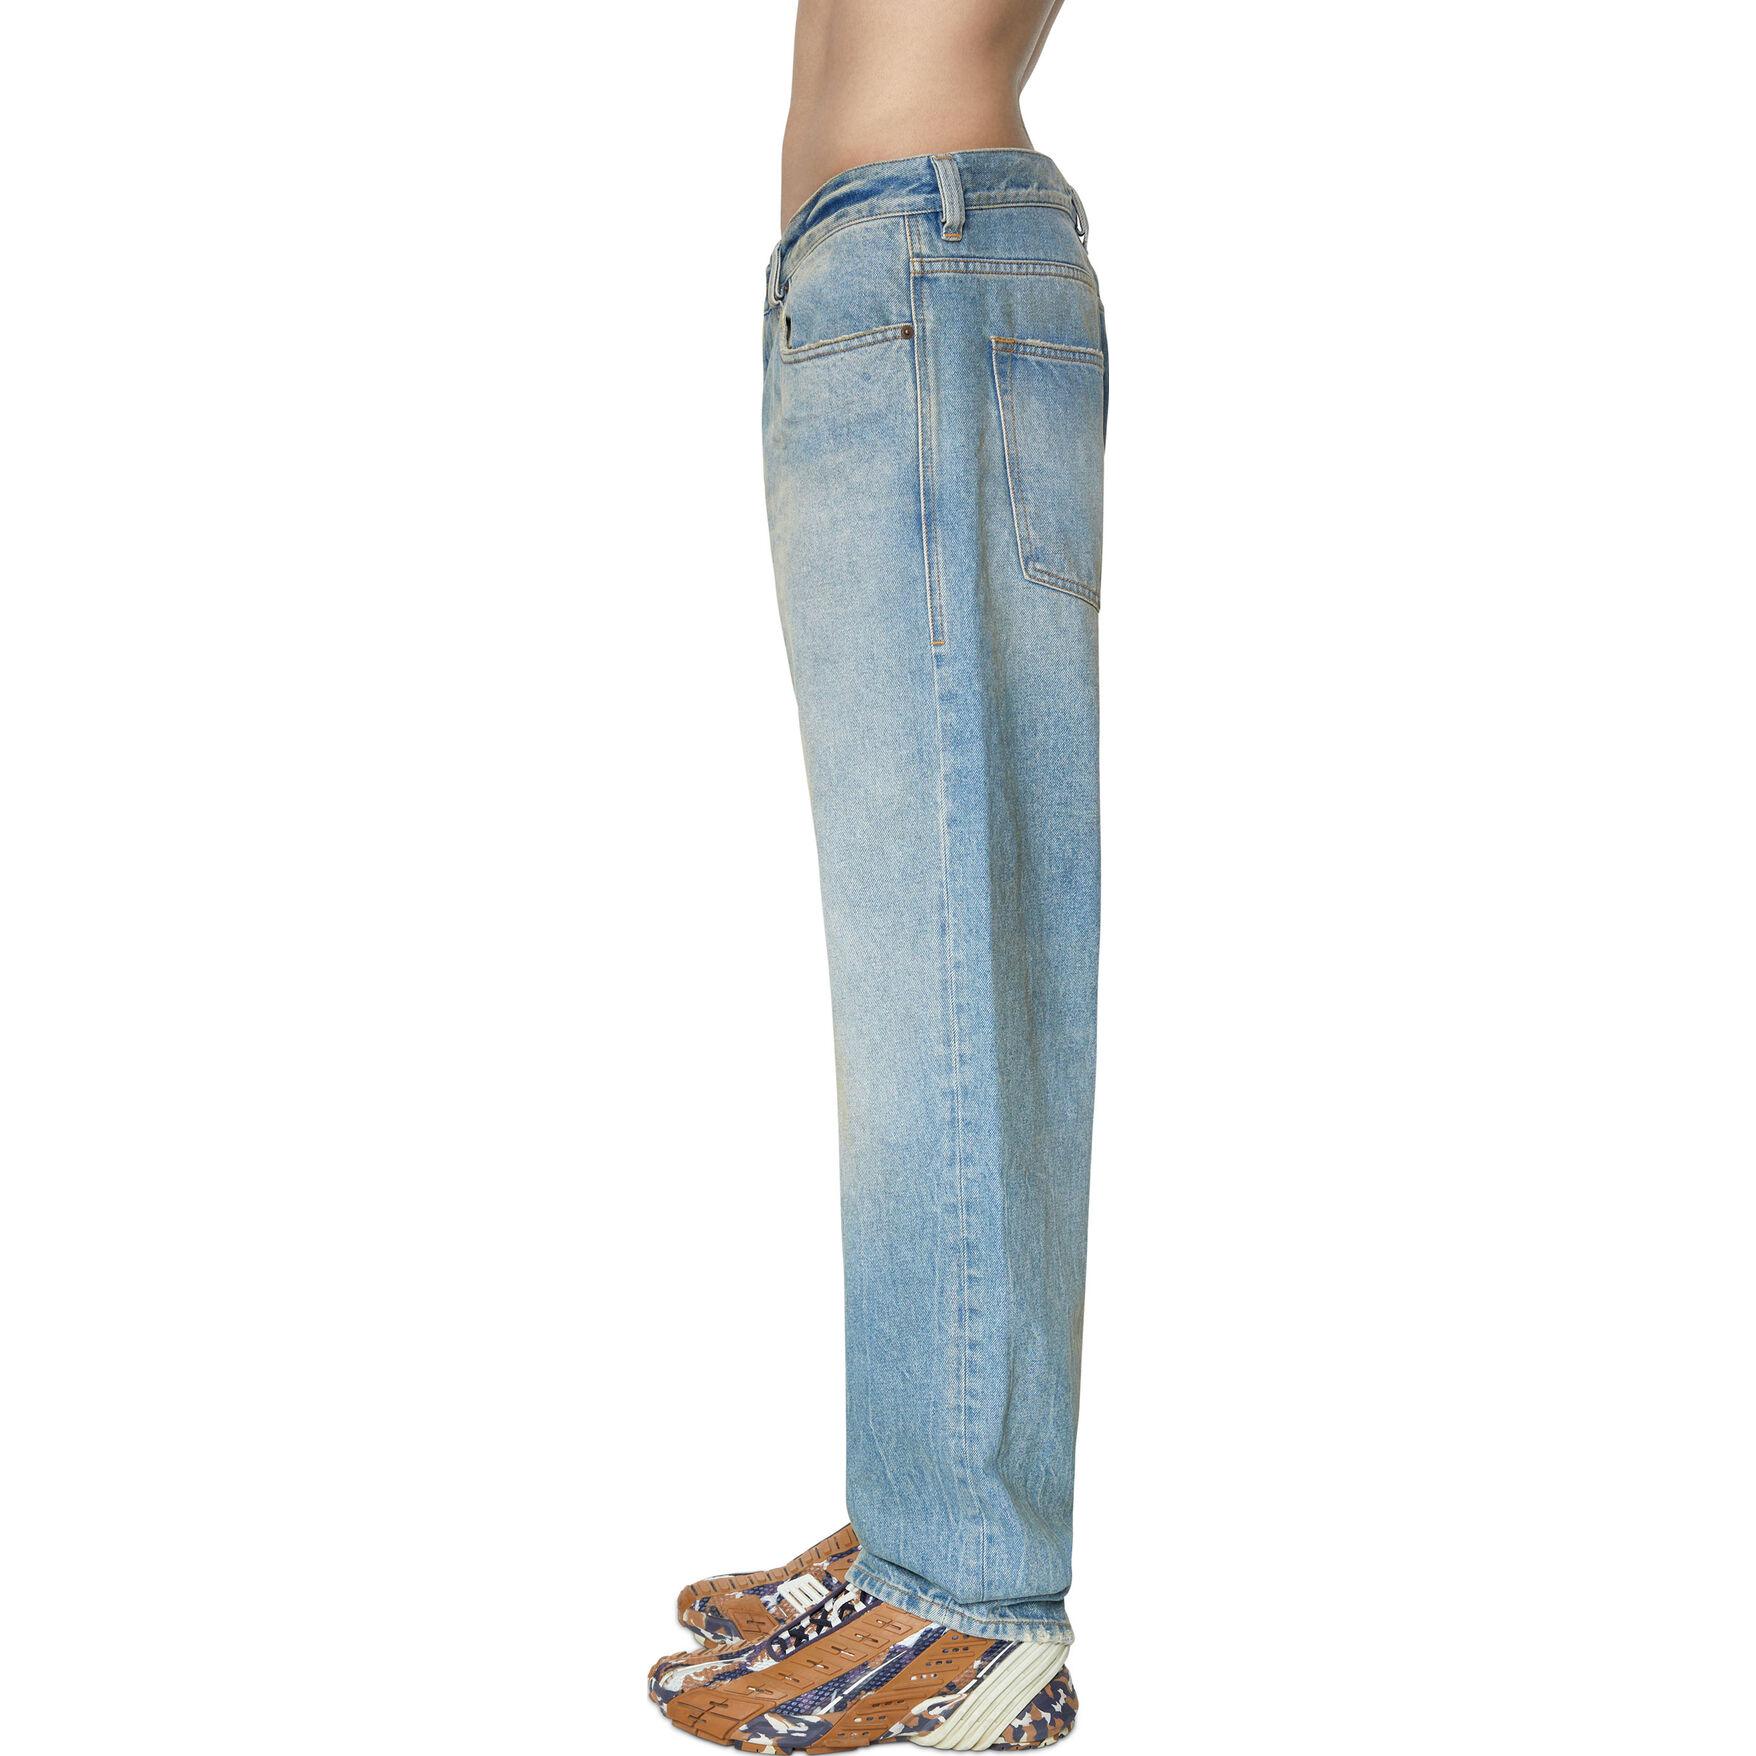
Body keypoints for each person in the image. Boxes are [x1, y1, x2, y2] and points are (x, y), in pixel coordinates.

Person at [649, 2, 1104, 1746]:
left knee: (949, 969)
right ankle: (921, 1517)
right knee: (914, 964)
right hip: (865, 276)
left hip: (935, 258)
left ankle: (969, 1595)